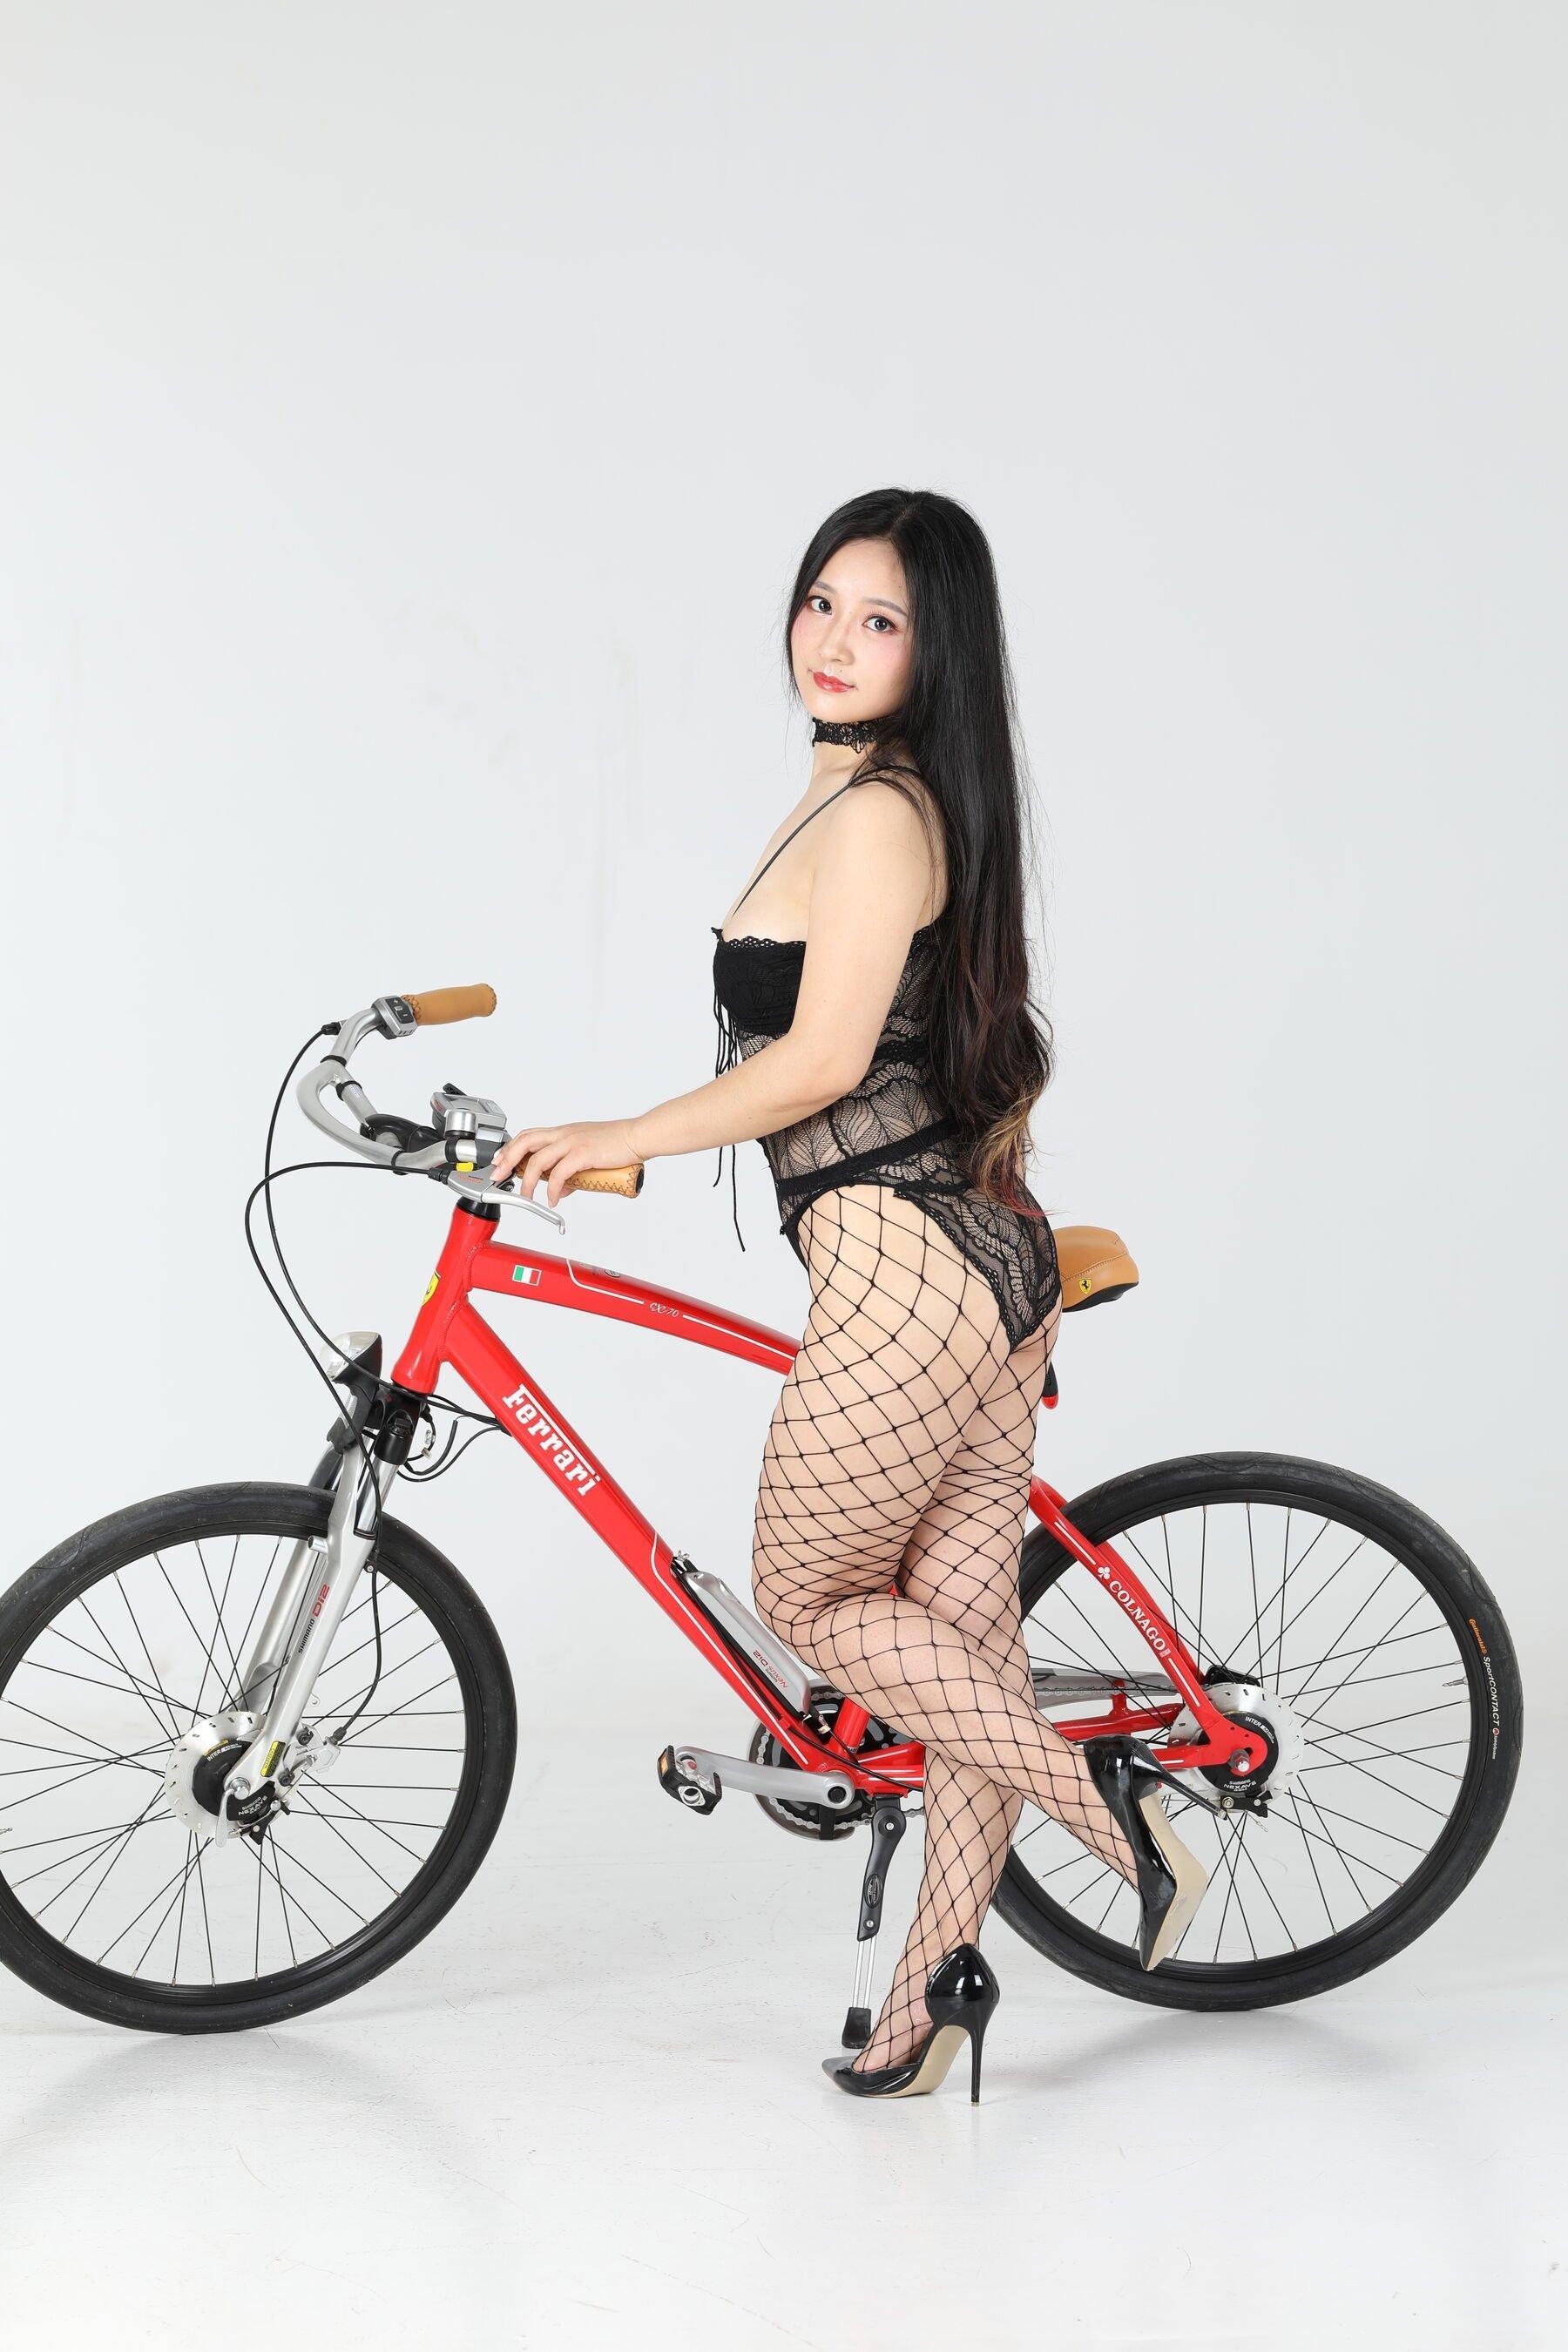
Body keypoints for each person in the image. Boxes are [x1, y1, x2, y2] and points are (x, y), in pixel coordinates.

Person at [492, 488, 1206, 2100]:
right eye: (823, 601)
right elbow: (844, 1060)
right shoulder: (855, 796)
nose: (834, 638)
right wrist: (635, 1142)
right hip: (968, 1267)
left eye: (880, 620)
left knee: (814, 1605)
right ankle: (932, 1995)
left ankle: (1117, 1817)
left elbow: (818, 1061)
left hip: (905, 1273)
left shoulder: (882, 815)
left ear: (933, 651)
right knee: (958, 1644)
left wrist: (624, 1133)